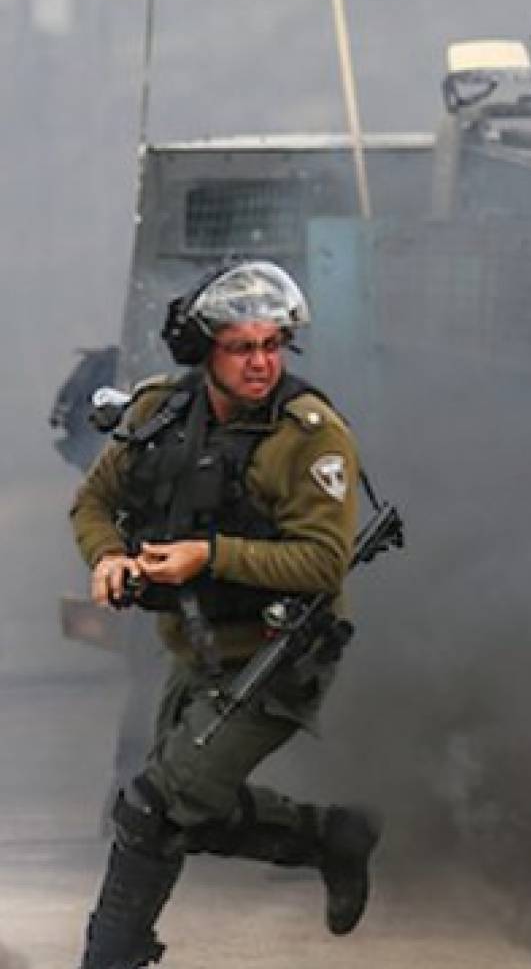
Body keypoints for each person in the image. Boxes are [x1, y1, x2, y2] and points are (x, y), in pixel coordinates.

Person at [69, 261, 380, 968]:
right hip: (193, 645)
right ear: (205, 349)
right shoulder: (159, 411)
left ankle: (107, 960)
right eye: (243, 347)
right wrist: (108, 557)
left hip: (281, 656)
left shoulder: (311, 437)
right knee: (183, 820)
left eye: (273, 345)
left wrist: (206, 556)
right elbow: (91, 502)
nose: (262, 362)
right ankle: (330, 837)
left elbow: (321, 563)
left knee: (150, 808)